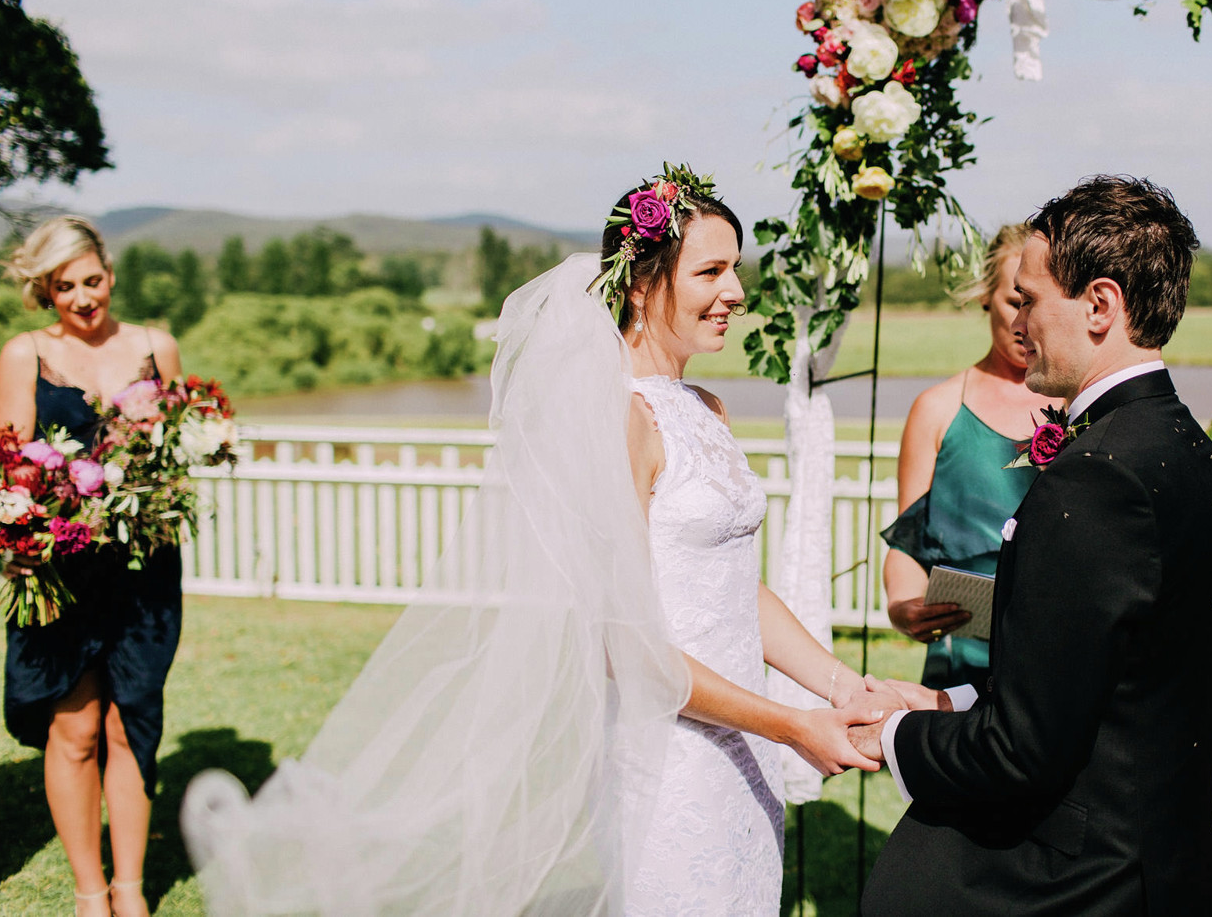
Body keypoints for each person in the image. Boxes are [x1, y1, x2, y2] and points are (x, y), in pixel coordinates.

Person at [182, 167, 897, 917]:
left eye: (736, 269)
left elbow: (732, 586)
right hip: (672, 755)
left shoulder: (705, 408)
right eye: (710, 271)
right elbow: (626, 646)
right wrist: (792, 725)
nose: (736, 292)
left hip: (742, 746)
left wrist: (841, 689)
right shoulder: (621, 419)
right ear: (642, 283)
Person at [852, 176, 1212, 917]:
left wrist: (893, 734)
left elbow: (1021, 752)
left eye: (1030, 299)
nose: (1020, 320)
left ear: (1099, 305)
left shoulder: (1097, 476)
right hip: (1167, 859)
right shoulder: (1189, 448)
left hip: (1083, 879)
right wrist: (947, 698)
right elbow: (1107, 678)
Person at [0, 216, 184, 917]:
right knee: (74, 730)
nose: (82, 298)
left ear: (110, 271)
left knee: (129, 723)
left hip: (143, 569)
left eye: (92, 280)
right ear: (45, 290)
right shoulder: (25, 354)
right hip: (60, 570)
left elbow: (179, 455)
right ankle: (89, 892)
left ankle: (130, 890)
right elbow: (8, 465)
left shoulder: (155, 346)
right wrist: (21, 539)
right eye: (64, 286)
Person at [881, 223, 1054, 690]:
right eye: (1014, 301)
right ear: (984, 298)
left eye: (1038, 303)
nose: (1025, 321)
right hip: (961, 655)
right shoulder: (938, 409)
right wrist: (904, 607)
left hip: (1055, 655)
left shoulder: (1078, 407)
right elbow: (908, 546)